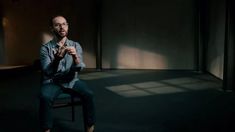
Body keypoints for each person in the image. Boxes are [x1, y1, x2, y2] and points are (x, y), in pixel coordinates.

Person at [39, 15, 95, 132]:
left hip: (71, 80)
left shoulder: (76, 45)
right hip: (52, 82)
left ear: (68, 27)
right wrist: (57, 59)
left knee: (89, 94)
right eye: (57, 25)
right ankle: (46, 129)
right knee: (45, 97)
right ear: (52, 28)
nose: (61, 27)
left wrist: (75, 57)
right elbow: (47, 72)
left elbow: (79, 68)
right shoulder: (45, 48)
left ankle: (89, 129)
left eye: (64, 24)